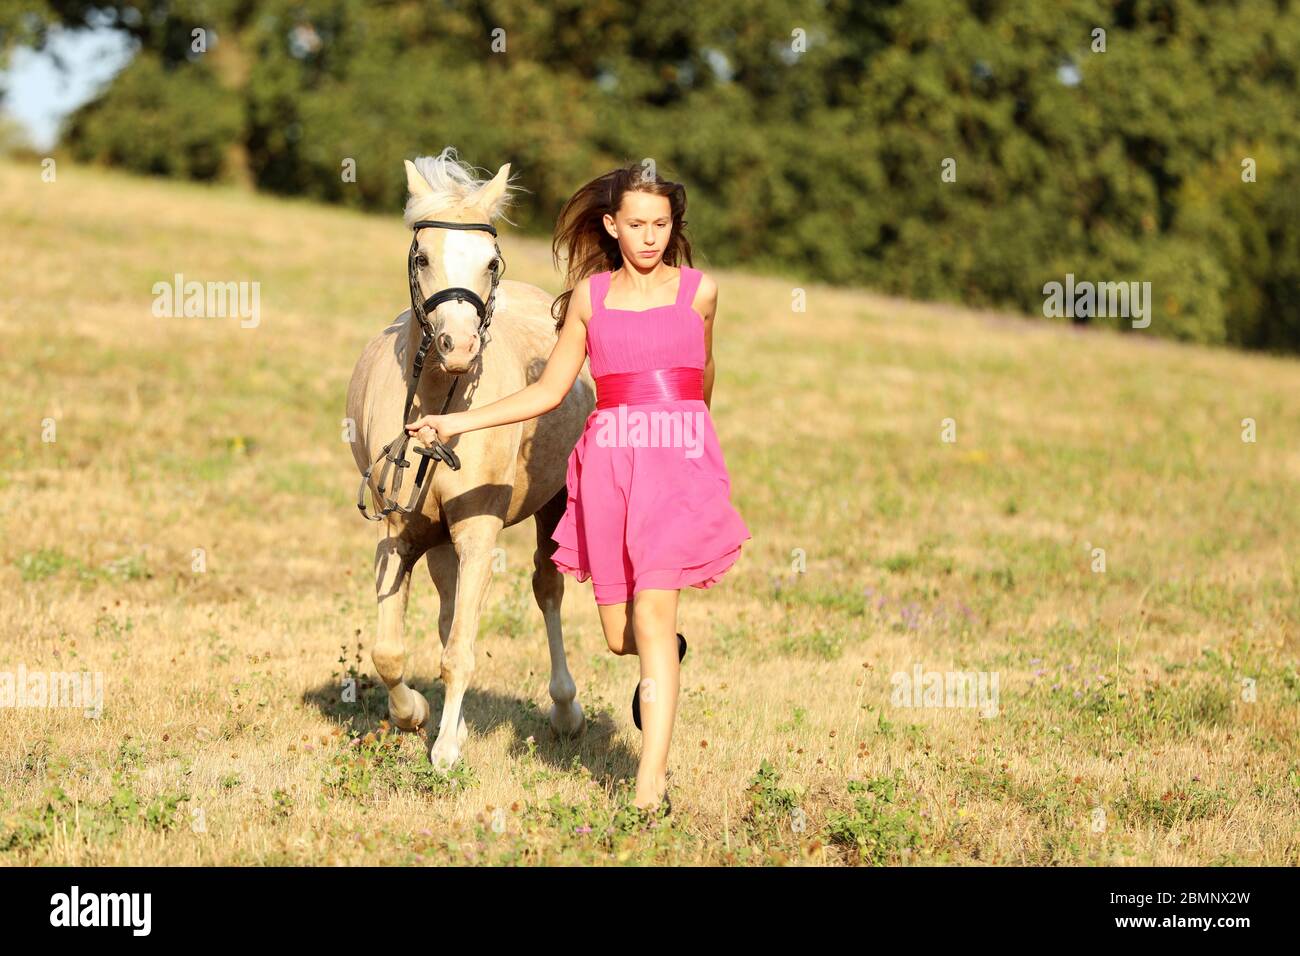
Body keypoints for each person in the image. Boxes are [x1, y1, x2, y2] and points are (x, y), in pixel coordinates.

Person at [406, 161, 751, 816]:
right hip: (610, 467)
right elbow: (547, 391)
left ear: (673, 226)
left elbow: (704, 379)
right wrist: (457, 418)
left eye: (662, 224)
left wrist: (689, 437)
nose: (651, 236)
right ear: (612, 226)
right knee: (623, 637)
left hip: (675, 462)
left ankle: (650, 785)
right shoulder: (591, 299)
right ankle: (662, 656)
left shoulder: (700, 292)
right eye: (638, 224)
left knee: (652, 617)